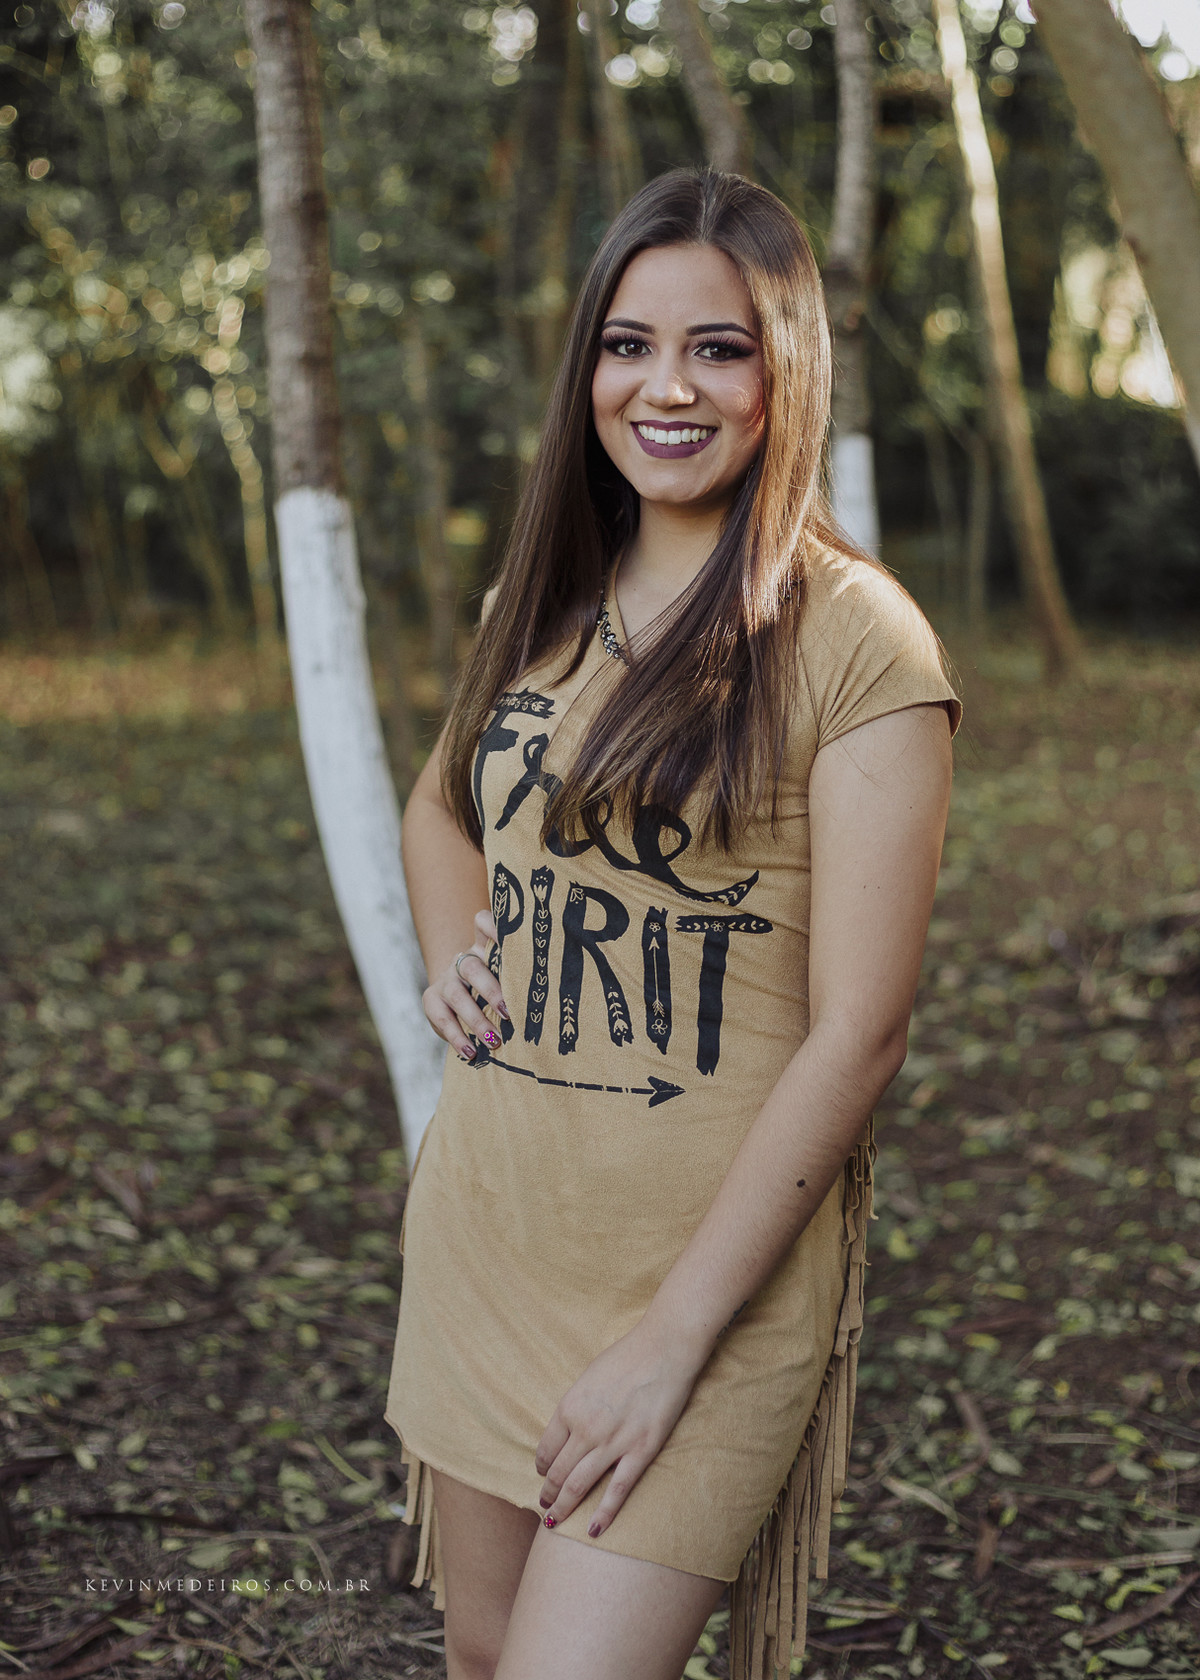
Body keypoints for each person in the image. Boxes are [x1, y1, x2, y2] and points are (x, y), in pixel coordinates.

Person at [384, 168, 961, 1680]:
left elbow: (864, 1031)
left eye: (719, 347)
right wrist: (460, 947)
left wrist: (667, 1345)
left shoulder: (855, 641)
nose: (666, 386)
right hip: (492, 1237)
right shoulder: (545, 591)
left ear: (788, 368)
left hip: (705, 1292)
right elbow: (441, 808)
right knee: (483, 1659)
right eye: (630, 343)